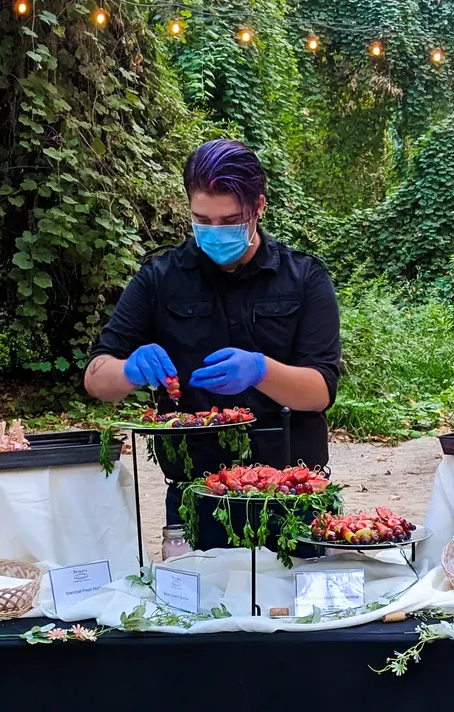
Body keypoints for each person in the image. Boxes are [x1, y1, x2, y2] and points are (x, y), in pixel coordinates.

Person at [84, 138, 341, 549]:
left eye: (230, 220)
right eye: (203, 220)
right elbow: (96, 378)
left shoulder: (305, 278)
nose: (216, 232)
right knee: (199, 611)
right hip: (194, 491)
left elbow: (320, 392)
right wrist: (129, 369)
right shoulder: (160, 278)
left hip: (291, 493)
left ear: (259, 207)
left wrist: (261, 370)